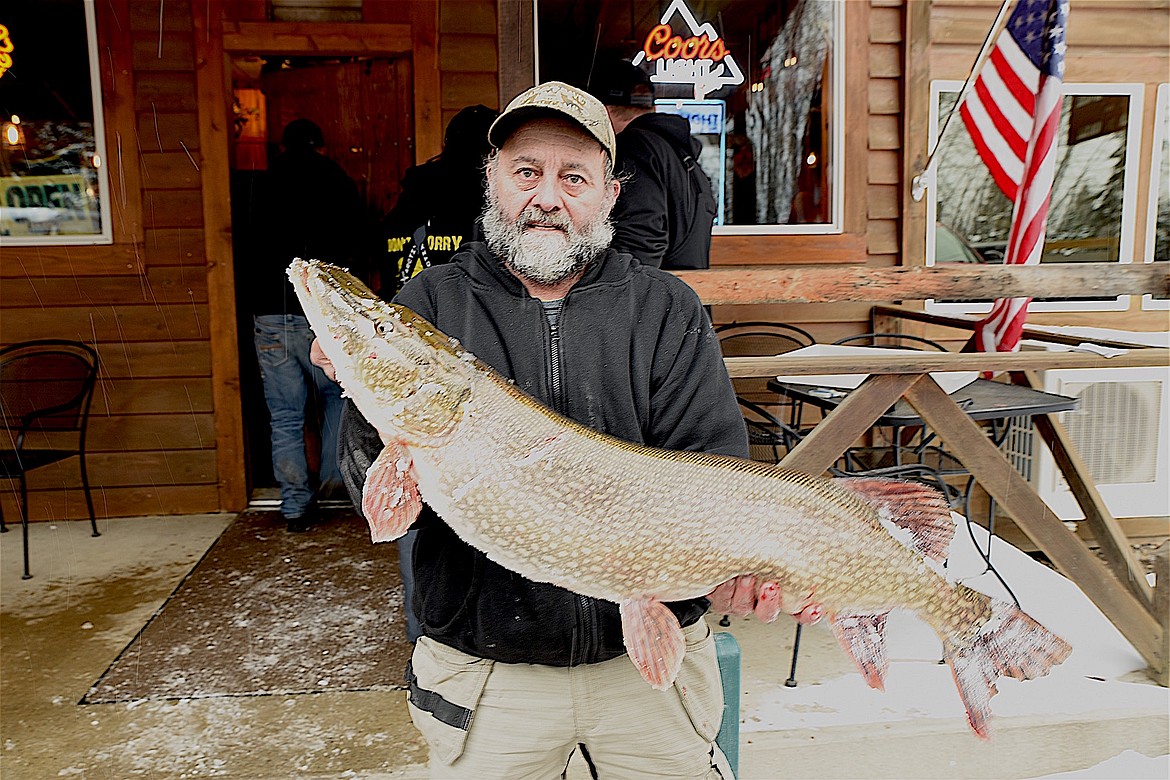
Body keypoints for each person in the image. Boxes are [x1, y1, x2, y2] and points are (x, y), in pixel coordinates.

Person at [317, 82, 776, 777]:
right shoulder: (431, 302)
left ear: (609, 195)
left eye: (573, 177)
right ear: (492, 181)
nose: (547, 196)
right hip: (488, 673)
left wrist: (733, 570)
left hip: (649, 671)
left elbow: (711, 475)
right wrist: (361, 387)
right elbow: (373, 499)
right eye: (526, 171)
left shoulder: (665, 309)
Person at [251, 118, 363, 532]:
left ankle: (296, 505)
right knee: (338, 400)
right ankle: (339, 490)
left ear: (283, 144)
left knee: (284, 416)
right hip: (324, 315)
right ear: (320, 144)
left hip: (271, 313)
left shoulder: (263, 184)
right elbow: (356, 243)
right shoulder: (338, 180)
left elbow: (246, 243)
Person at [589, 58, 718, 270]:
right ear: (651, 106)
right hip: (685, 298)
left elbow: (639, 246)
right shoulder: (677, 151)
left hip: (654, 300)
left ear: (602, 111)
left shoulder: (634, 148)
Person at [379, 104, 498, 296]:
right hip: (453, 319)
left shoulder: (408, 199)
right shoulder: (485, 207)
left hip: (400, 314)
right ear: (491, 152)